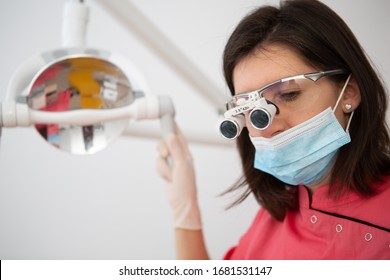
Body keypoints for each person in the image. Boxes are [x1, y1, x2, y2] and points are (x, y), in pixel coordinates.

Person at [156, 0, 390, 259]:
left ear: (349, 92)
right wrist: (186, 216)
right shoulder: (277, 214)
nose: (267, 129)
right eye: (249, 109)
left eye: (289, 95)